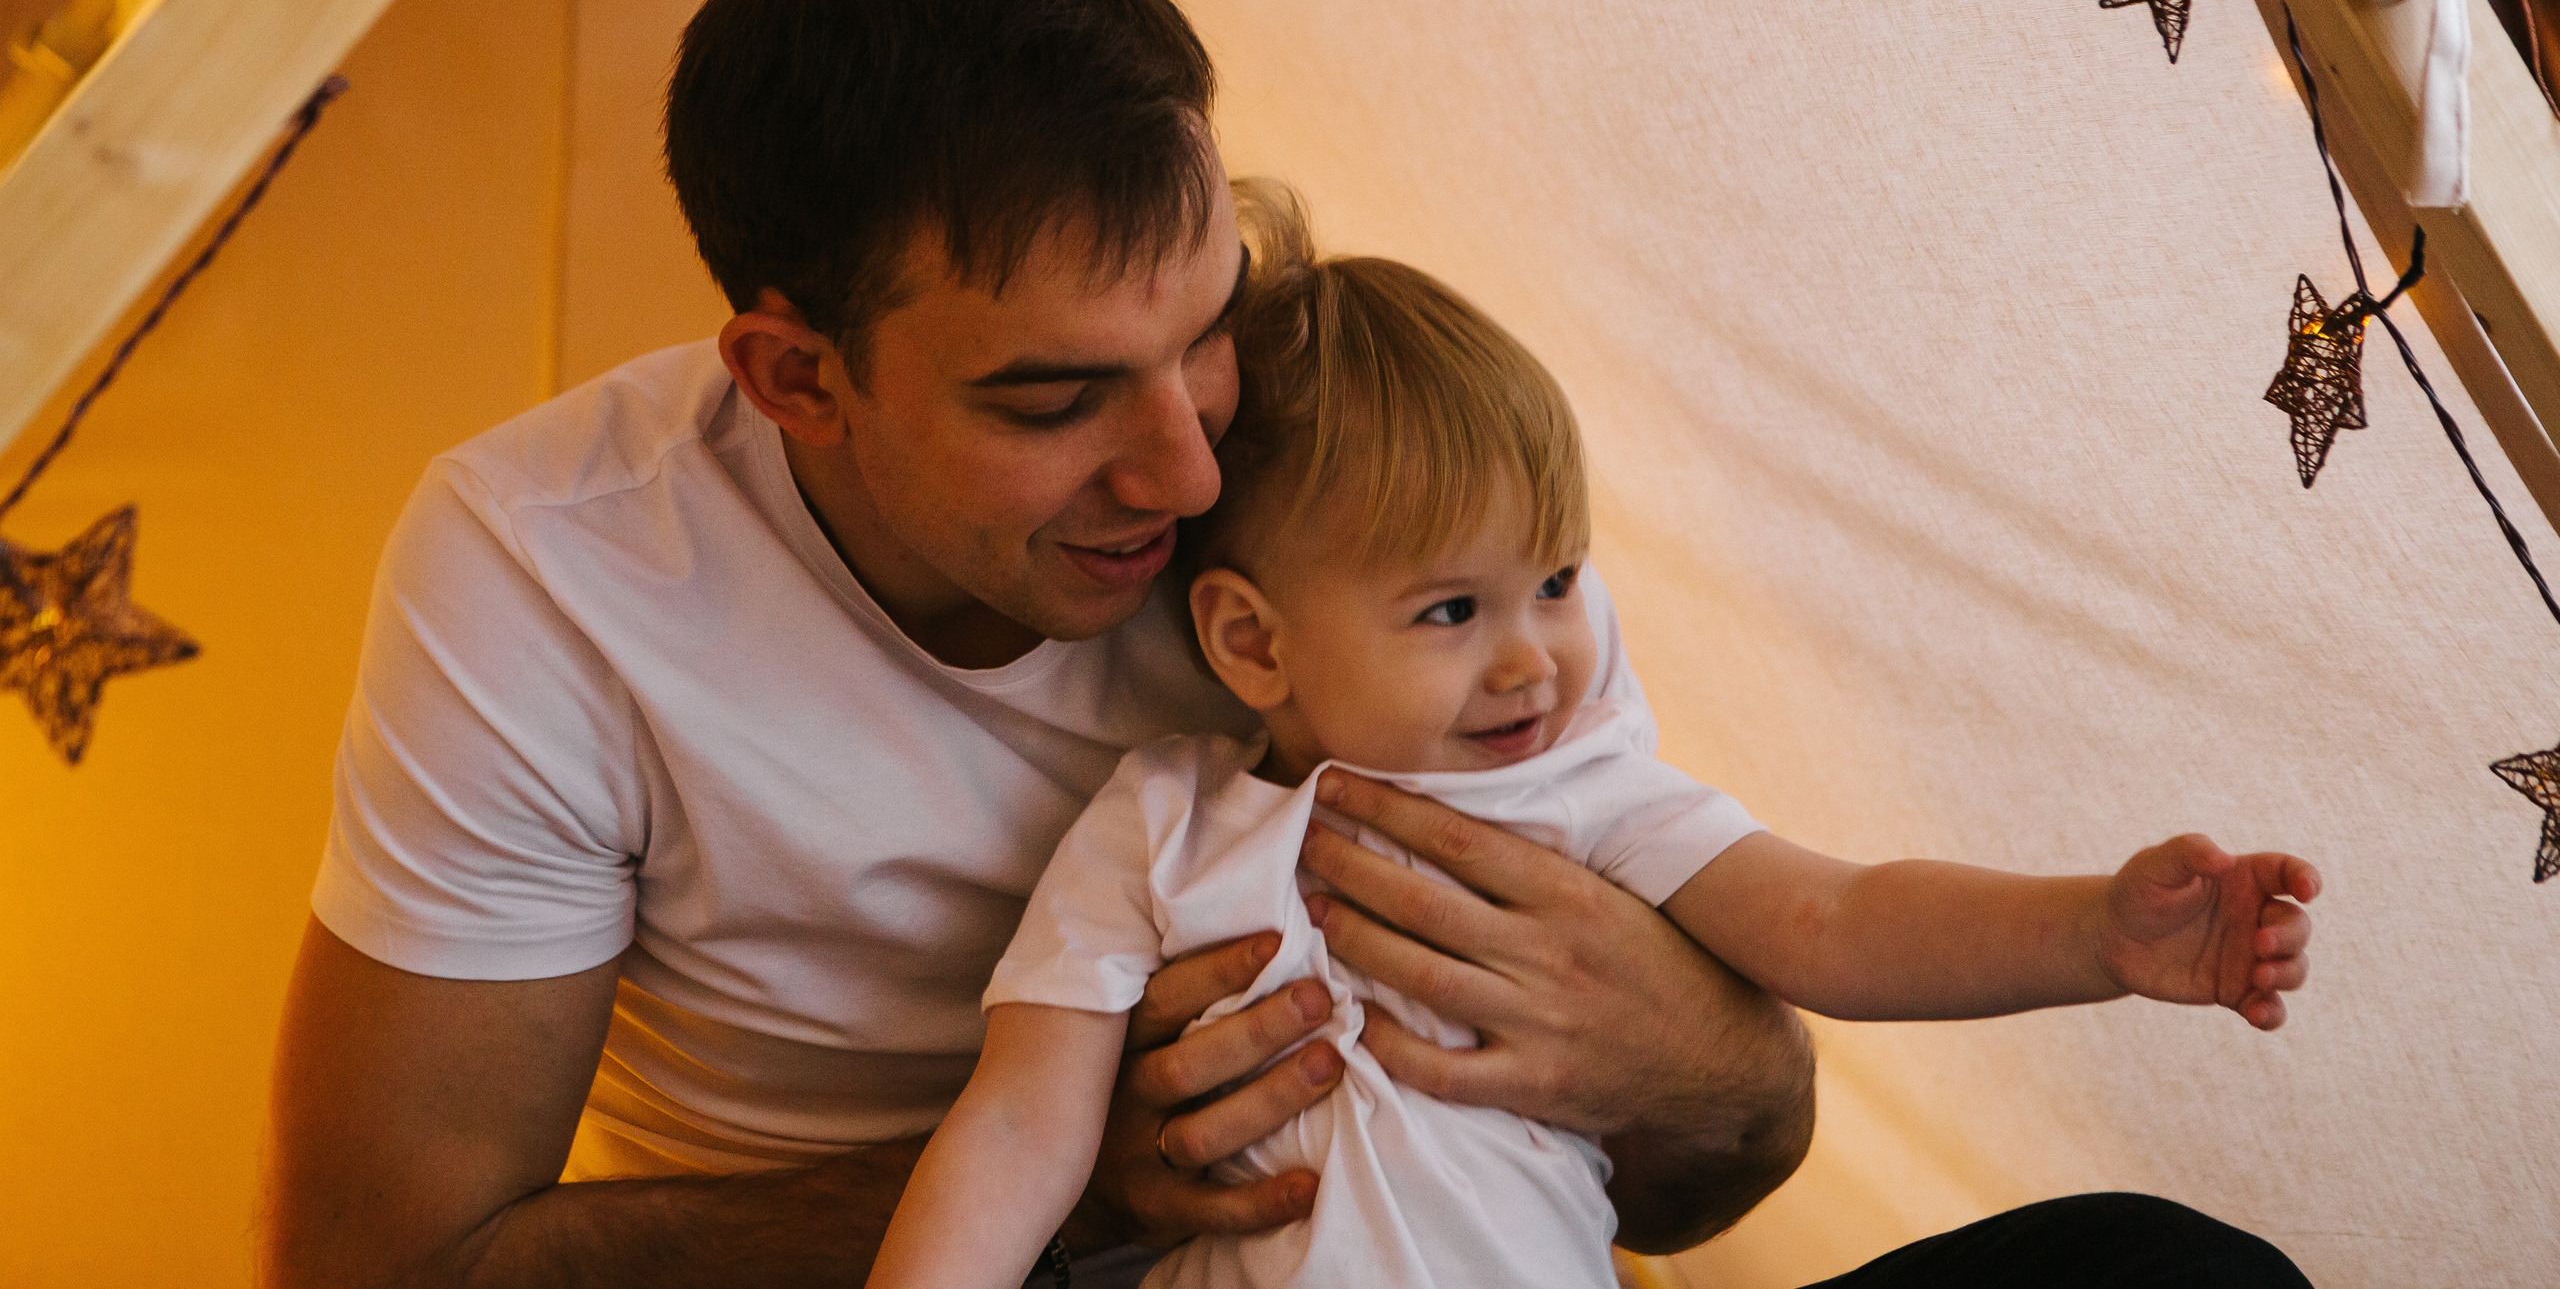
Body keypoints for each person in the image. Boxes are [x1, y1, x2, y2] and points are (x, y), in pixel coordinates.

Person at [259, 0, 2305, 1289]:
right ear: (797, 374)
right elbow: (391, 1261)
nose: (1184, 461)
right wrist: (1094, 1176)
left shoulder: (1358, 473)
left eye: (1204, 321)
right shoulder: (550, 572)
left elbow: (1735, 1089)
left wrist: (1700, 1052)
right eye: (1054, 395)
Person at [866, 205, 2323, 1289]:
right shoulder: (1160, 825)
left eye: (1557, 582)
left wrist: (2096, 938)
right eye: (1450, 609)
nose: (1533, 654)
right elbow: (1016, 1134)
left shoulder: (1577, 791)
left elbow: (1836, 919)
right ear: (1254, 644)